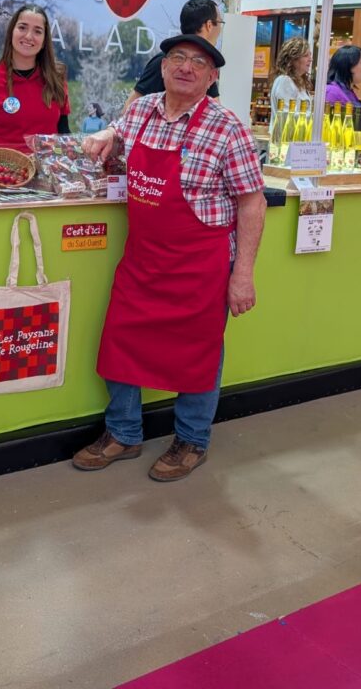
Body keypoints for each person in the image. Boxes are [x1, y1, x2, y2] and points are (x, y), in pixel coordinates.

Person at [73, 33, 266, 482]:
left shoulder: (228, 127)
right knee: (120, 340)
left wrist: (243, 275)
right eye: (177, 57)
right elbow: (119, 132)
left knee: (199, 353)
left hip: (200, 265)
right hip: (143, 260)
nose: (185, 67)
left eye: (198, 63)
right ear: (162, 67)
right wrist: (106, 133)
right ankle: (123, 433)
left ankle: (192, 440)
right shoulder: (141, 110)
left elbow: (252, 203)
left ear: (211, 77)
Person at [0, 5, 70, 152]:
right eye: (22, 28)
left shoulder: (56, 81)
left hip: (46, 167)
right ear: (11, 32)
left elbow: (65, 135)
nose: (28, 36)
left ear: (44, 40)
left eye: (37, 31)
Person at [125, 0, 224, 110]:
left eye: (198, 62)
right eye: (179, 58)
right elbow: (129, 109)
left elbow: (216, 109)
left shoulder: (206, 66)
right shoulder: (162, 61)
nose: (186, 69)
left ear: (211, 76)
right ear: (209, 25)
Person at [269, 37, 312, 124]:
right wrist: (314, 117)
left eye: (310, 55)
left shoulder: (299, 82)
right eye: (305, 55)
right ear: (293, 59)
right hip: (287, 133)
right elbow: (287, 116)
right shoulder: (284, 81)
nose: (310, 59)